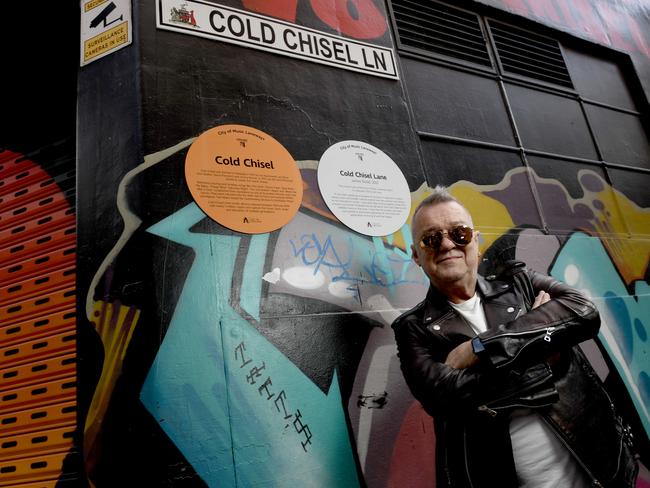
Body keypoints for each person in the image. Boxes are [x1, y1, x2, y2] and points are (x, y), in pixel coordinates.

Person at [392, 185, 638, 488]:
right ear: (417, 255)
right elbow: (444, 399)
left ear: (476, 242)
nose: (447, 244)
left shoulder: (522, 283)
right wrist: (538, 350)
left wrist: (482, 347)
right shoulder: (413, 329)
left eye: (459, 234)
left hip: (600, 468)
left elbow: (585, 312)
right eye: (431, 239)